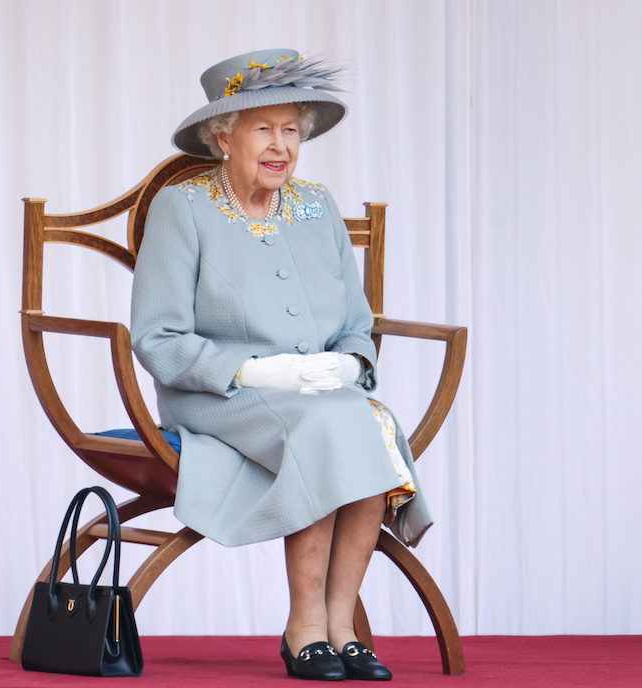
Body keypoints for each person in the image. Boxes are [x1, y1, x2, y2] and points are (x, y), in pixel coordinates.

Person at [130, 49, 433, 682]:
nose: (280, 145)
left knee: (358, 416)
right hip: (216, 395)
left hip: (322, 393)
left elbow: (357, 320)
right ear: (223, 135)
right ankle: (305, 628)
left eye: (291, 129)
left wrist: (352, 366)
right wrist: (255, 373)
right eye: (263, 128)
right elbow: (156, 338)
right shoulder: (182, 209)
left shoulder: (317, 206)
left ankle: (343, 628)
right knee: (332, 428)